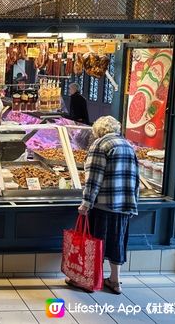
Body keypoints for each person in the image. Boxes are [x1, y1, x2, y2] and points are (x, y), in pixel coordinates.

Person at [67, 116, 139, 295]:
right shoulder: (128, 145)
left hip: (104, 205)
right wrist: (132, 203)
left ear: (98, 130)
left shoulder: (100, 145)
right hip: (124, 204)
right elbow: (136, 178)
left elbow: (93, 178)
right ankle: (115, 281)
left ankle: (90, 281)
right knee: (117, 242)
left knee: (96, 243)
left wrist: (86, 203)